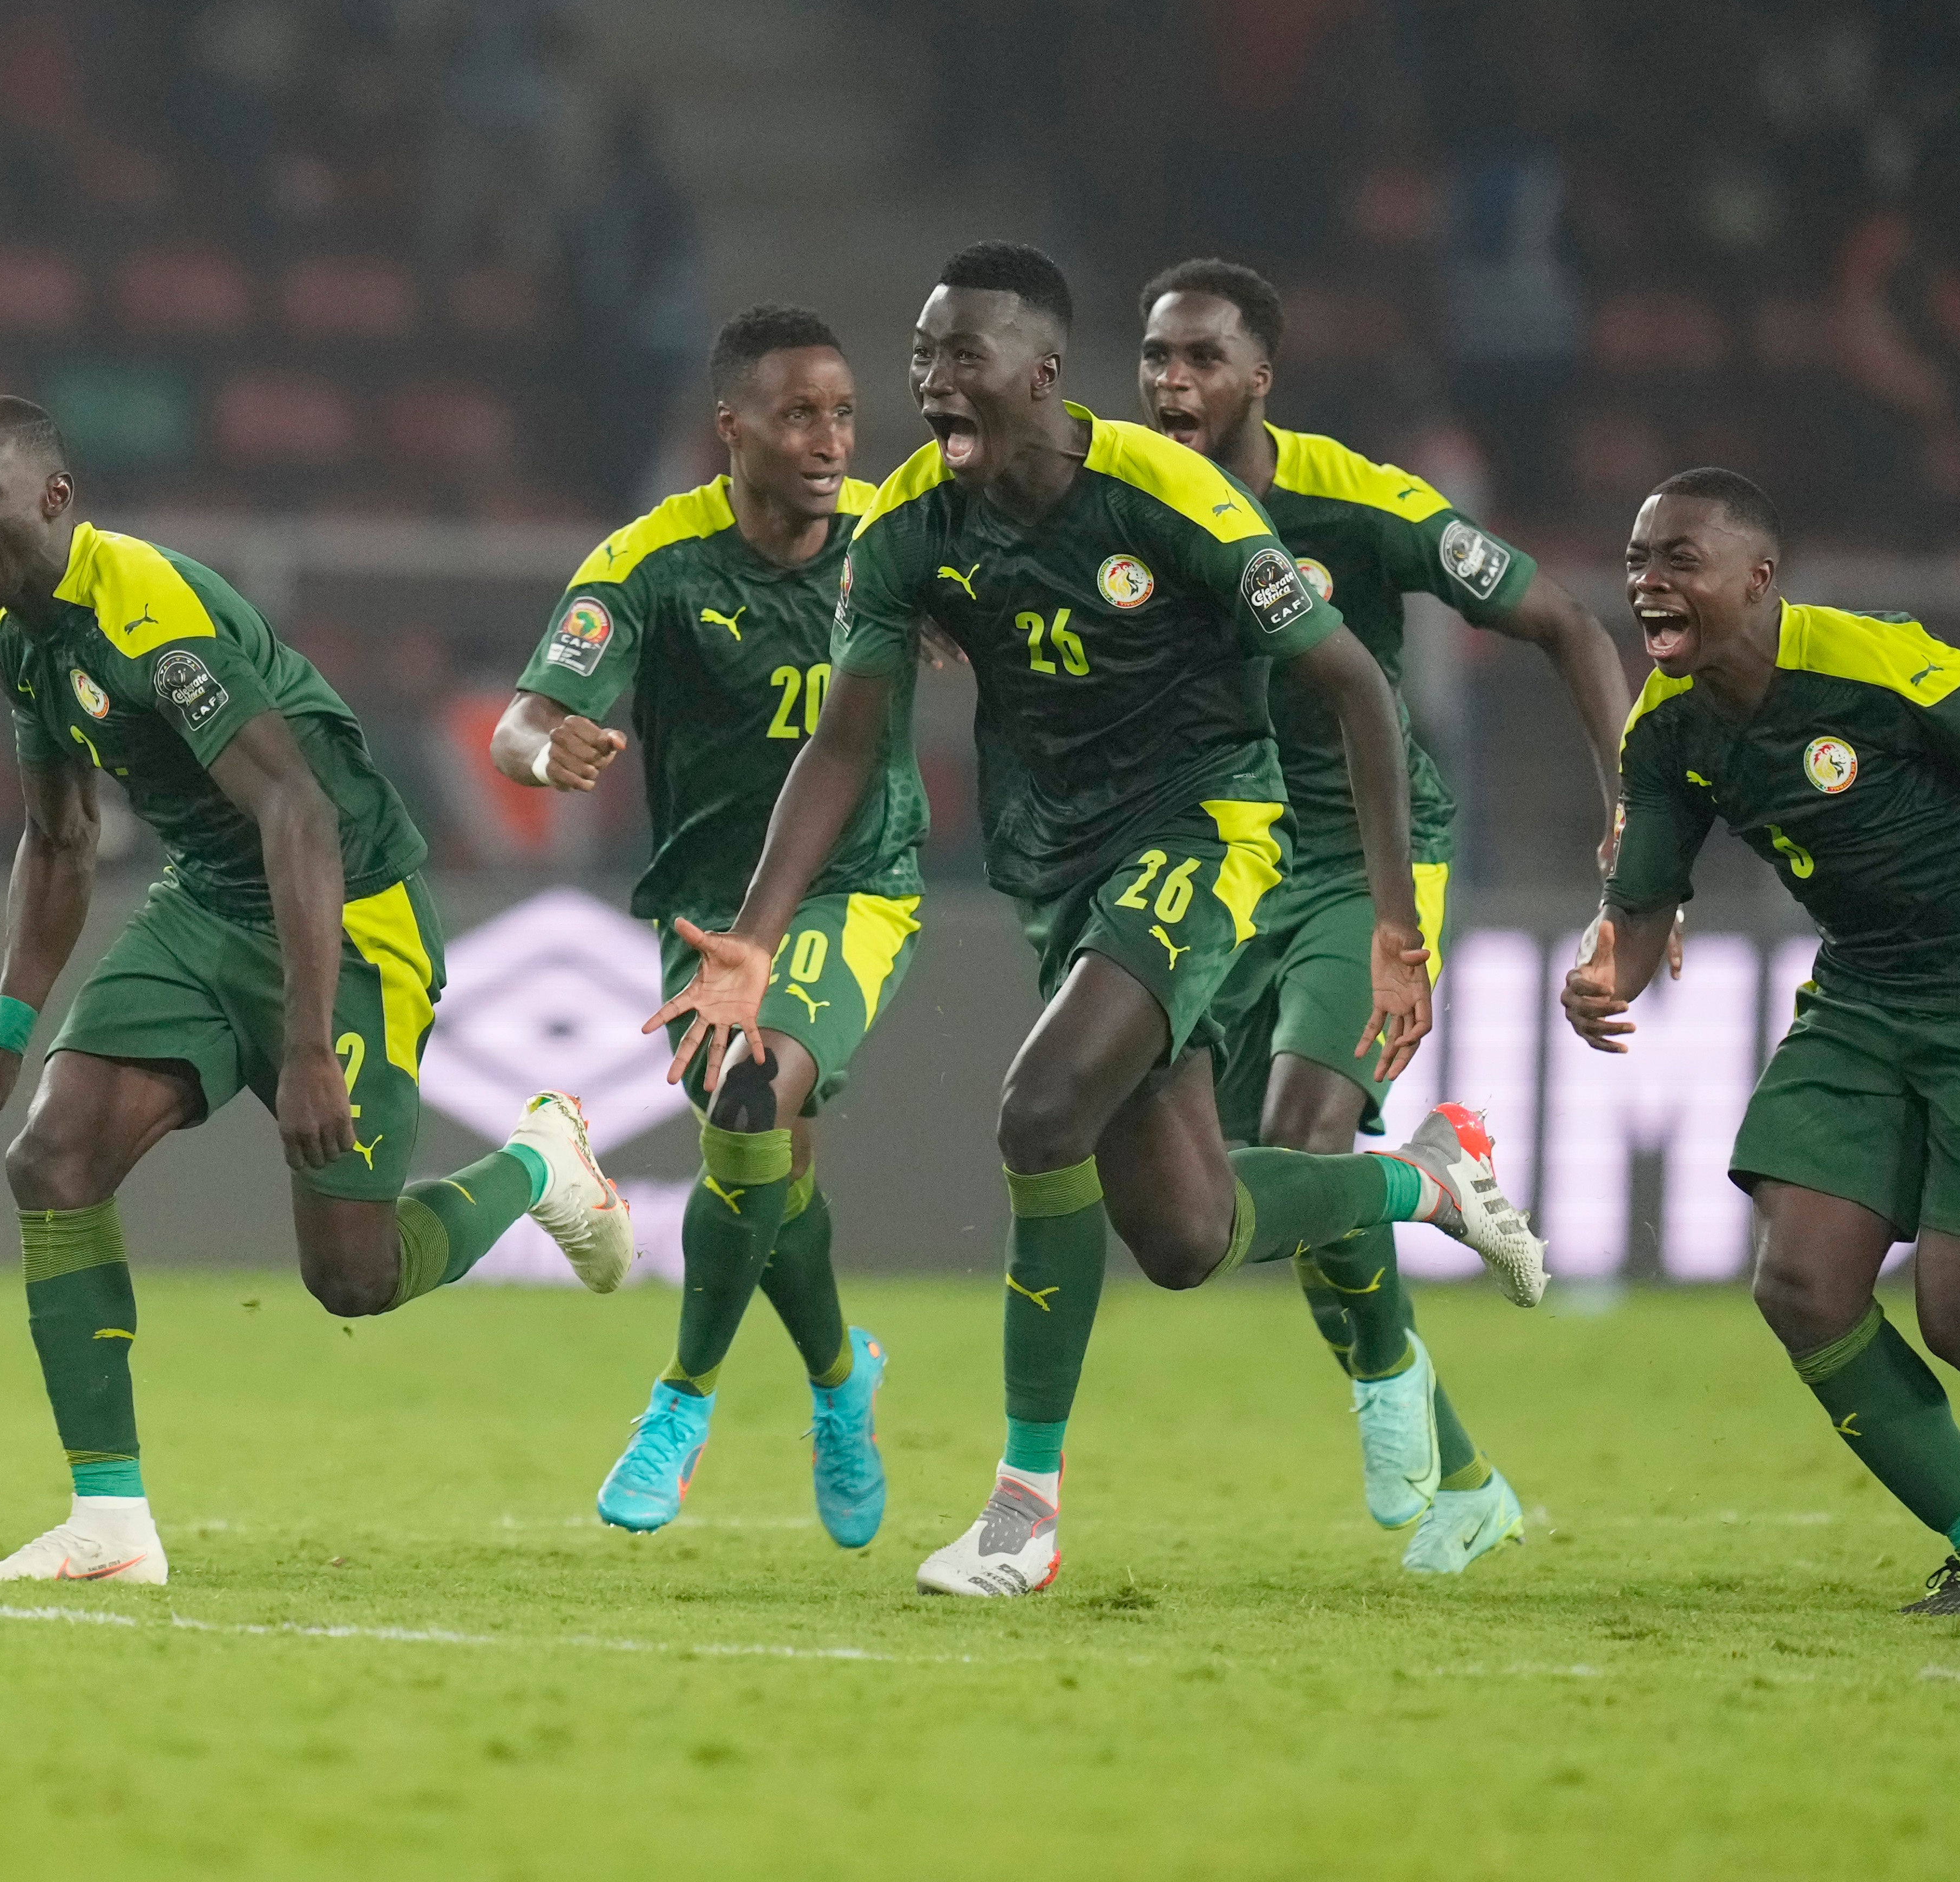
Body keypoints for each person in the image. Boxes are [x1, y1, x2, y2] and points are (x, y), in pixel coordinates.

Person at [655, 242, 1549, 1601]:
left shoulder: (1164, 493)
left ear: (1040, 373)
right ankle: (1422, 1181)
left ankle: (1023, 1511)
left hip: (1208, 833)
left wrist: (1391, 923)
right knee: (1185, 1236)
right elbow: (843, 742)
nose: (928, 382)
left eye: (960, 357)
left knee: (1039, 1110)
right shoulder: (907, 528)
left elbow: (1356, 687)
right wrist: (756, 938)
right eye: (920, 355)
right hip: (1059, 874)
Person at [0, 396, 634, 1586]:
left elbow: (297, 809)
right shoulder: (21, 637)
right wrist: (7, 1038)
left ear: (53, 498)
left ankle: (540, 1167)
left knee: (352, 1277)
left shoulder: (147, 615)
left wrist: (307, 1047)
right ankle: (109, 1525)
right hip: (210, 901)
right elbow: (57, 840)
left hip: (344, 912)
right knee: (54, 1158)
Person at [1561, 469, 1960, 1616]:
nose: (1645, 583)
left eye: (1677, 560)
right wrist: (1600, 969)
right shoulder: (1664, 726)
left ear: (1757, 580)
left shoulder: (1872, 664)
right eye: (1634, 561)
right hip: (1862, 998)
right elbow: (1644, 900)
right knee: (1802, 1284)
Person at [1140, 259, 1631, 1574]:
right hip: (1213, 856)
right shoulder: (1114, 500)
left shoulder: (1353, 500)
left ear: (1260, 378)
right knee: (1276, 1195)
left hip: (1365, 855)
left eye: (1200, 361)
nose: (1172, 384)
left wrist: (1634, 813)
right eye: (1155, 359)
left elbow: (1571, 627)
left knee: (1303, 1136)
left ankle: (1401, 1294)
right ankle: (1464, 1471)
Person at [491, 304, 918, 1544]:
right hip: (708, 911)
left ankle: (679, 1404)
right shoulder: (651, 563)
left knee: (748, 1099)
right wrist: (543, 750)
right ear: (728, 431)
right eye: (797, 416)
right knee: (771, 1170)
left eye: (842, 412)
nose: (829, 440)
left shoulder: (895, 539)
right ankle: (843, 1384)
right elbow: (526, 717)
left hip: (855, 887)